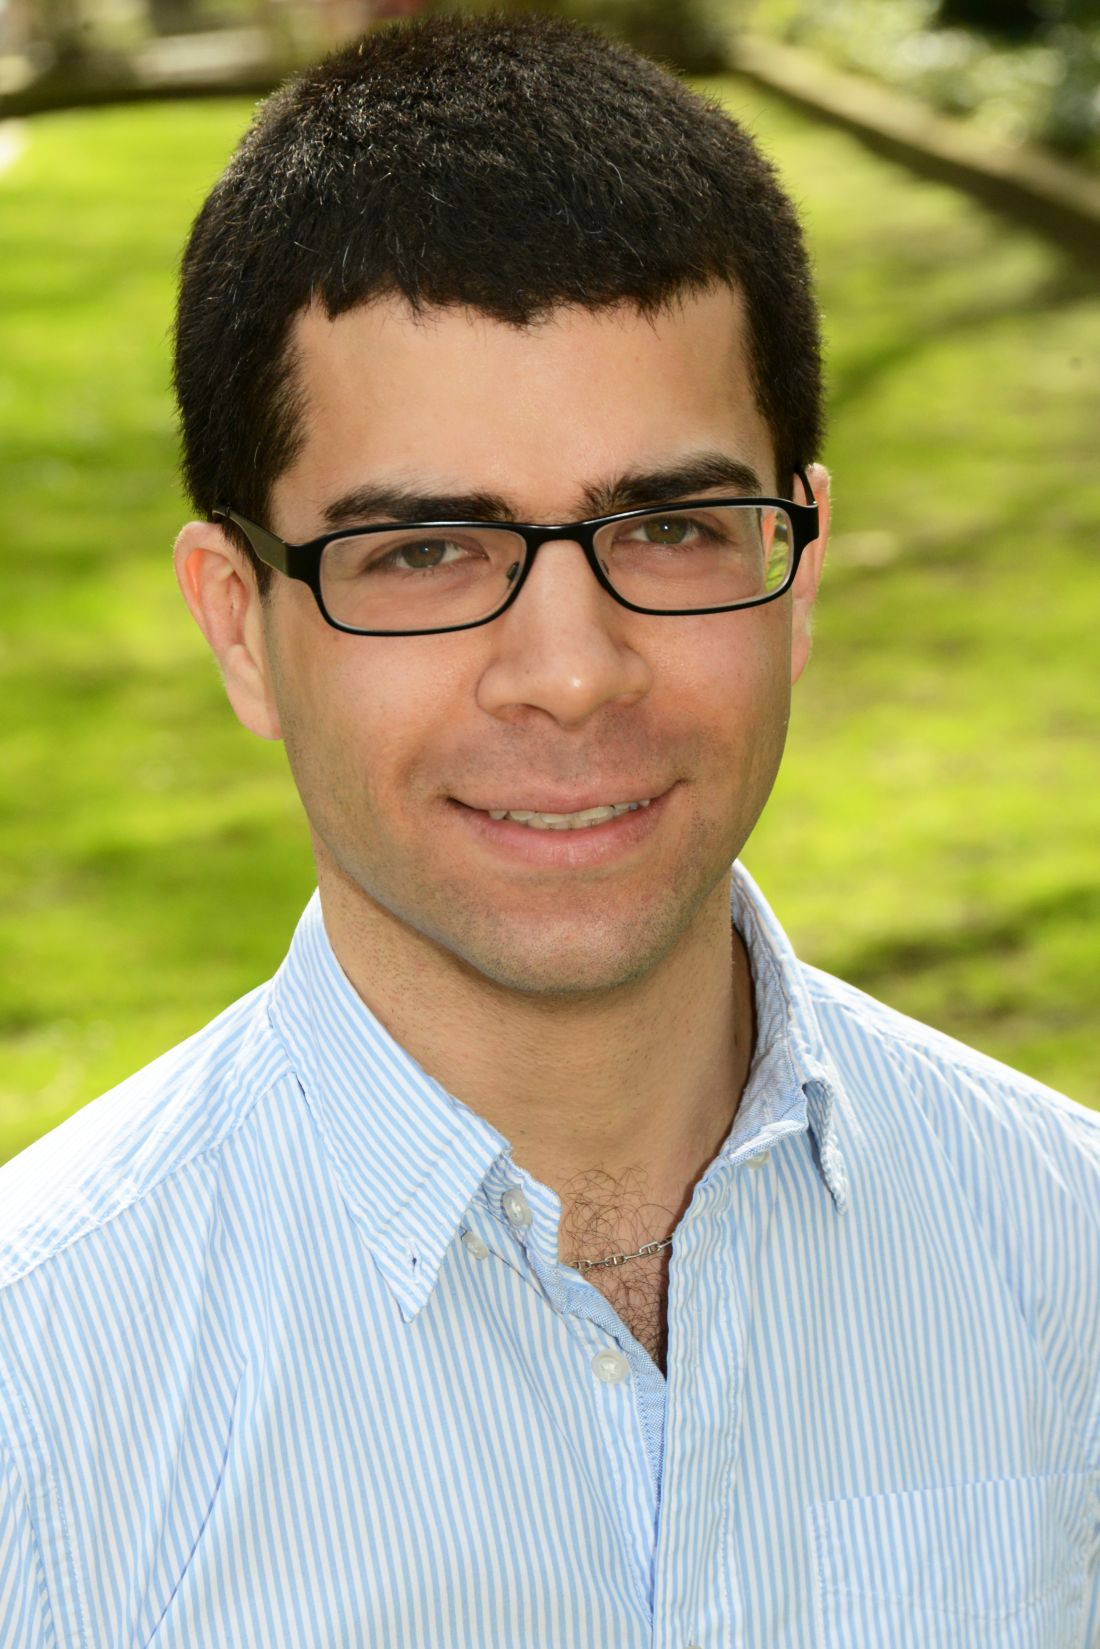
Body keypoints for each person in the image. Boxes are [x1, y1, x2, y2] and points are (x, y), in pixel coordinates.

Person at [1, 13, 1097, 1646]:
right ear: (239, 623)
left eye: (670, 526)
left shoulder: (1069, 1263)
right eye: (425, 550)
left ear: (798, 569)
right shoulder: (38, 1396)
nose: (574, 674)